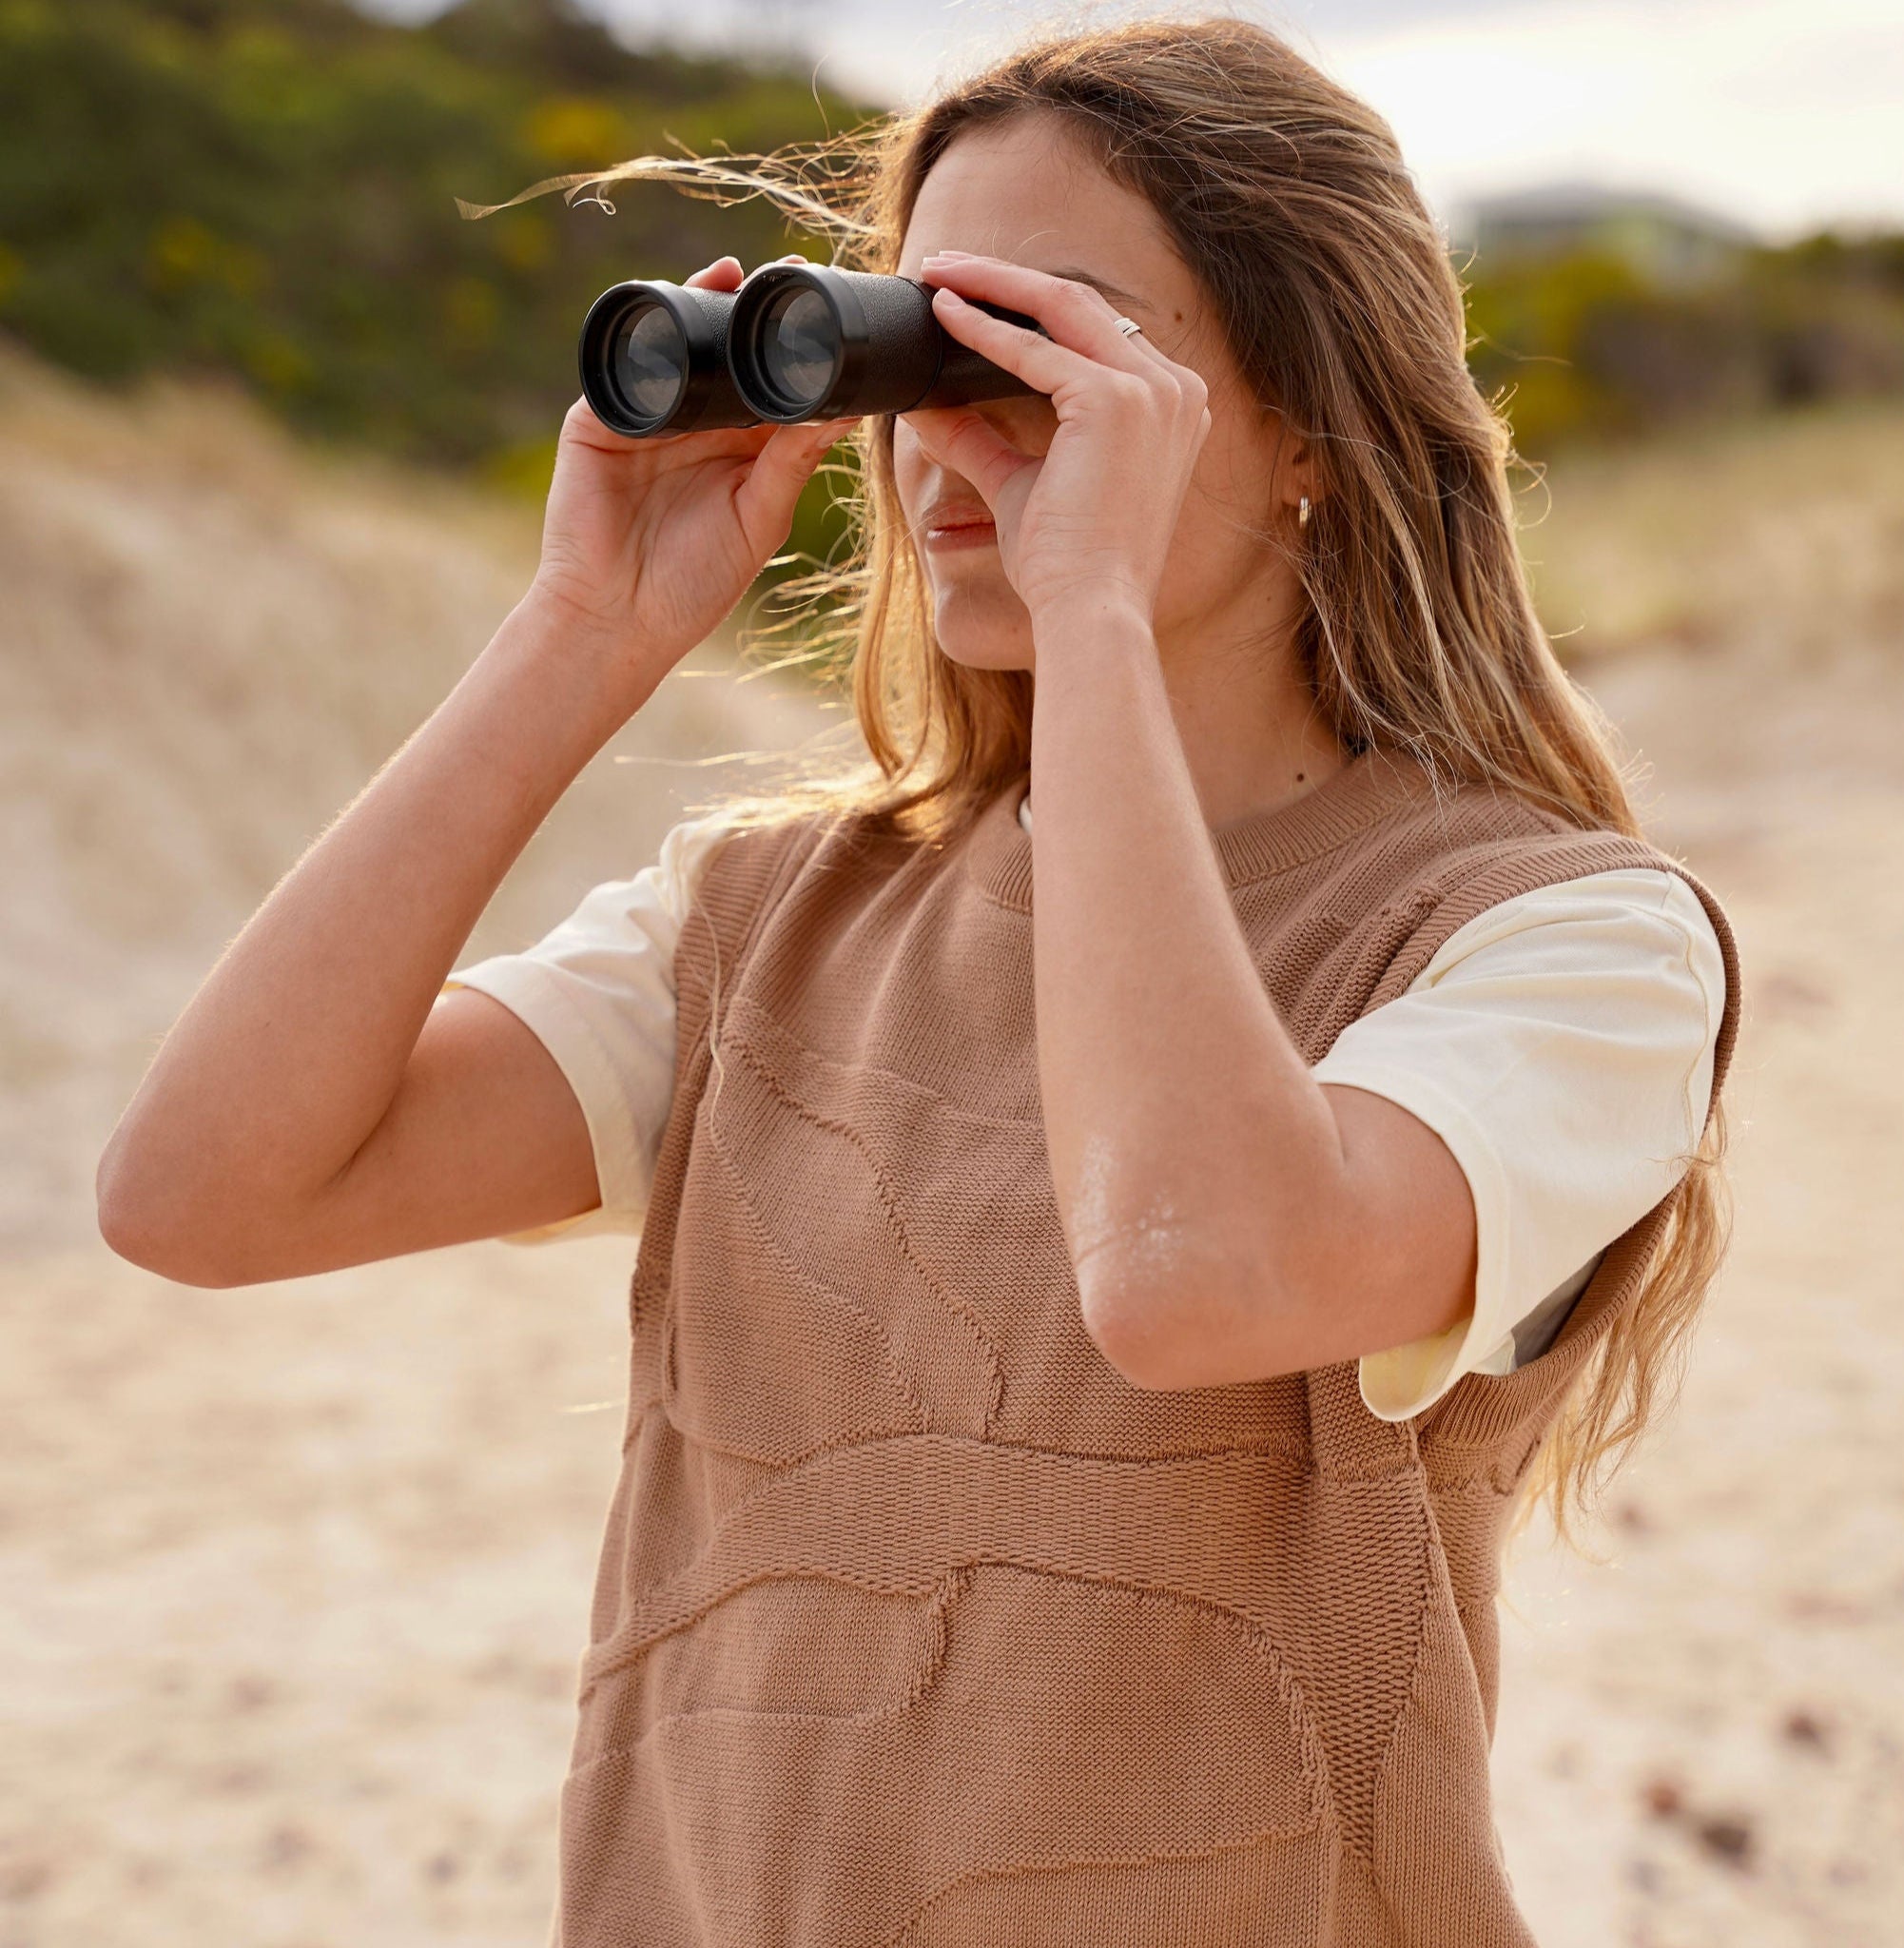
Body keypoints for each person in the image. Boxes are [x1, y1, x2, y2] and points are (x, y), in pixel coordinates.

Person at [98, 18, 1739, 1945]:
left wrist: (1097, 611)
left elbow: (1191, 1262)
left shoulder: (1565, 942)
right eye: (912, 356)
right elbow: (198, 1194)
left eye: (1031, 363)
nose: (942, 444)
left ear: (1301, 427)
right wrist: (579, 629)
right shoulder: (768, 924)